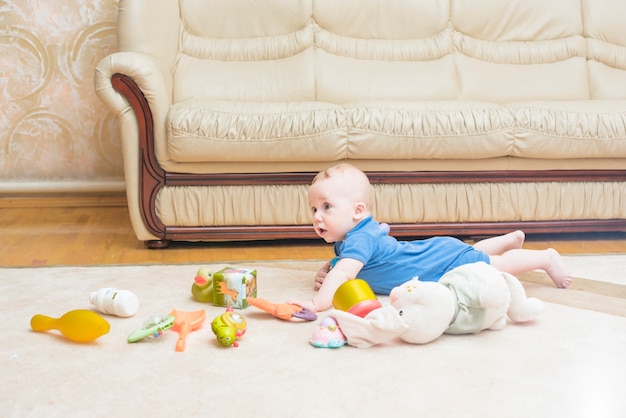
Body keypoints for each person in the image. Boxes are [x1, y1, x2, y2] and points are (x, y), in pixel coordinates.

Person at [290, 163, 573, 313]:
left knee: (490, 266)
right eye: (314, 208)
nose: (317, 216)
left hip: (435, 263)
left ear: (357, 211)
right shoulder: (354, 235)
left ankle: (544, 257)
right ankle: (508, 239)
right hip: (435, 253)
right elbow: (342, 265)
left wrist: (318, 303)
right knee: (472, 255)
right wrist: (326, 271)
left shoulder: (361, 239)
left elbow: (345, 271)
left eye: (327, 207)